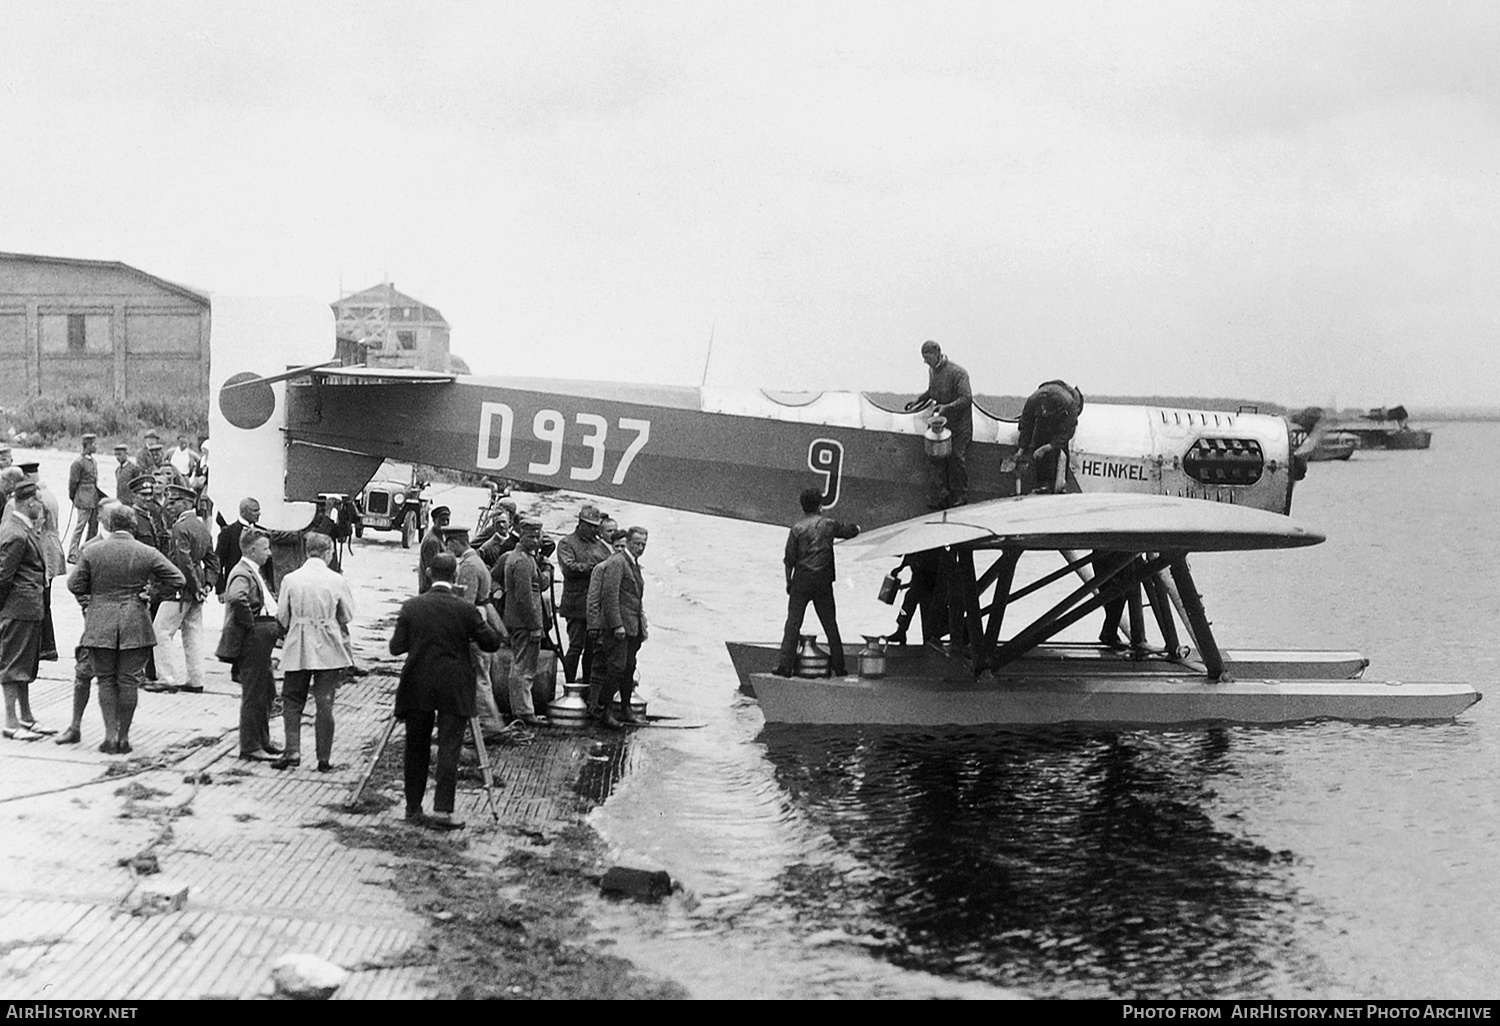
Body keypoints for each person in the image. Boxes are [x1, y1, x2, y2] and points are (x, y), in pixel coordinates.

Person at [389, 552, 501, 831]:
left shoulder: (412, 606)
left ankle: (412, 808)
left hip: (418, 684)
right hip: (454, 685)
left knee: (416, 747)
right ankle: (442, 810)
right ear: (454, 577)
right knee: (449, 747)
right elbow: (491, 643)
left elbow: (396, 647)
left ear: (428, 573)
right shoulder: (465, 610)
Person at [68, 504, 184, 754]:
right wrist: (150, 592)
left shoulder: (92, 551)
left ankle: (109, 737)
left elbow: (73, 584)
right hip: (135, 621)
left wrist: (94, 597)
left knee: (106, 681)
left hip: (100, 622)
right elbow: (178, 579)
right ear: (133, 526)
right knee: (128, 681)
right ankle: (124, 737)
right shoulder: (147, 552)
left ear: (109, 525)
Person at [274, 532, 354, 772]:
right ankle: (323, 758)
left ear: (307, 551)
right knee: (325, 700)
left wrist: (296, 624)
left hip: (299, 640)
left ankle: (292, 750)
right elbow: (347, 615)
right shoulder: (336, 580)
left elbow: (282, 614)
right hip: (328, 642)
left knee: (292, 698)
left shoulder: (291, 578)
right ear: (328, 552)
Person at [773, 487, 861, 678]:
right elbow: (849, 531)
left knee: (793, 624)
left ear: (802, 506)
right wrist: (858, 528)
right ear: (820, 506)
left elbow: (789, 560)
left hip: (801, 582)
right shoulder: (828, 525)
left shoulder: (796, 529)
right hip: (823, 583)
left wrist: (789, 582)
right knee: (830, 625)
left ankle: (785, 667)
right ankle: (839, 668)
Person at [215, 526, 284, 761]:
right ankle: (250, 746)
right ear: (252, 550)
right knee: (253, 693)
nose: (270, 553)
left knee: (266, 691)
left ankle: (263, 740)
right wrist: (252, 624)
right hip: (254, 640)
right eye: (265, 548)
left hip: (262, 641)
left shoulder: (253, 570)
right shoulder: (242, 572)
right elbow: (236, 597)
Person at [0, 482, 54, 741]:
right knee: (13, 665)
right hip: (18, 608)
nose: (41, 506)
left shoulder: (22, 528)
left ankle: (26, 717)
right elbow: (3, 576)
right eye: (39, 502)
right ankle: (11, 722)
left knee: (25, 665)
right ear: (29, 502)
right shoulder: (16, 533)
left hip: (28, 608)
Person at [152, 488, 217, 693]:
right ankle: (196, 679)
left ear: (186, 504)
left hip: (179, 588)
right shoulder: (202, 527)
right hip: (196, 588)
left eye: (174, 502)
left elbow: (183, 560)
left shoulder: (180, 528)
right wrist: (207, 585)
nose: (170, 507)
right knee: (193, 633)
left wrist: (195, 587)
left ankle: (167, 677)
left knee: (161, 631)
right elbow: (213, 560)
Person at [445, 525, 506, 733]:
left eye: (449, 545)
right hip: (482, 622)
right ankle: (490, 724)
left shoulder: (469, 566)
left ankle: (488, 726)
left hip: (474, 626)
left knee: (478, 679)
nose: (448, 550)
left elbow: (466, 604)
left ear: (455, 542)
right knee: (482, 677)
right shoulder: (478, 562)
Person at [904, 340, 974, 509]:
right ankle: (941, 495)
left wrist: (946, 408)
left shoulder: (958, 373)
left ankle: (960, 496)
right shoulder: (932, 371)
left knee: (956, 457)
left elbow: (966, 398)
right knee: (934, 457)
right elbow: (932, 391)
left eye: (927, 357)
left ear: (937, 353)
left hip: (959, 426)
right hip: (941, 425)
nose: (925, 361)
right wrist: (918, 400)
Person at [593, 526, 651, 724]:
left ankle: (625, 709)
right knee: (616, 668)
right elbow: (610, 596)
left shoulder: (633, 563)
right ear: (627, 542)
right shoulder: (617, 562)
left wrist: (641, 627)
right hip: (619, 628)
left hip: (632, 627)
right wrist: (617, 625)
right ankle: (604, 709)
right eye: (636, 543)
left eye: (643, 544)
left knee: (629, 668)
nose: (640, 548)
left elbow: (635, 598)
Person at [556, 504, 611, 687]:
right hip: (576, 604)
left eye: (596, 526)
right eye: (591, 525)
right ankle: (569, 686)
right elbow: (569, 568)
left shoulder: (601, 546)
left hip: (595, 606)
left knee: (592, 649)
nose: (595, 530)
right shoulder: (567, 543)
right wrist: (594, 568)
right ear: (581, 523)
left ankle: (588, 686)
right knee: (575, 647)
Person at [500, 523, 548, 727]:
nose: (536, 541)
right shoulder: (523, 561)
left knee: (521, 665)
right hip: (524, 623)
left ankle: (521, 709)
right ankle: (524, 711)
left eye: (538, 537)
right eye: (532, 537)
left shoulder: (519, 557)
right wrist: (535, 625)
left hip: (517, 620)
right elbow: (524, 598)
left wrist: (544, 570)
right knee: (524, 667)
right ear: (523, 537)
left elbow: (538, 585)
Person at [584, 528, 630, 725]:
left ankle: (607, 706)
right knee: (599, 665)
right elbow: (594, 598)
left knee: (612, 666)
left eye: (623, 546)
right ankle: (595, 705)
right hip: (603, 625)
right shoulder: (602, 567)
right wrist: (594, 625)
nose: (620, 550)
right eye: (617, 546)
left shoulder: (626, 568)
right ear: (612, 546)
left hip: (615, 624)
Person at [1016, 380, 1085, 495]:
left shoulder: (1069, 405)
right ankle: (1042, 483)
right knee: (1040, 435)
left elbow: (1066, 434)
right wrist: (1021, 449)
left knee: (1060, 449)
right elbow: (1026, 425)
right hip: (1050, 403)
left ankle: (1060, 483)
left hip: (1062, 408)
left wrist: (1047, 447)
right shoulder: (1033, 401)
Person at [66, 433, 104, 562]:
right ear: (86, 446)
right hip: (83, 499)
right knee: (80, 527)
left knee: (93, 526)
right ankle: (72, 553)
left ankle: (88, 552)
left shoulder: (92, 461)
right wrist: (73, 497)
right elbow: (73, 483)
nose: (96, 446)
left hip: (93, 498)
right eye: (93, 444)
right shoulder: (78, 463)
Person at [417, 505, 450, 594]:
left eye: (447, 520)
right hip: (430, 589)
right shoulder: (432, 541)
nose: (445, 523)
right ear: (434, 520)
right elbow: (433, 569)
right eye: (442, 520)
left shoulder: (439, 536)